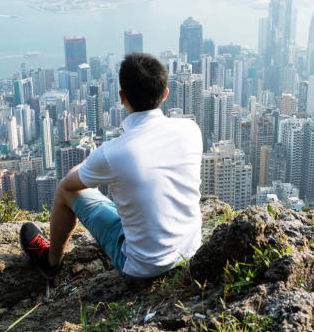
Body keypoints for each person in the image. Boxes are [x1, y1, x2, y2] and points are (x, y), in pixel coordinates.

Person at [20, 52, 203, 279]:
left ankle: (50, 262)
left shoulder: (114, 152)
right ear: (165, 94)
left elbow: (70, 182)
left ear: (122, 97)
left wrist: (98, 158)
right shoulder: (191, 129)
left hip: (143, 267)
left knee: (65, 190)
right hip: (191, 251)